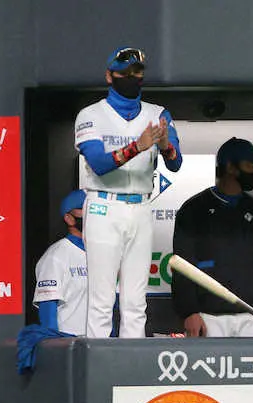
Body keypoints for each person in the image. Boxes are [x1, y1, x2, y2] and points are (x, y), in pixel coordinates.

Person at [74, 47, 182, 338]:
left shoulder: (157, 114)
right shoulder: (91, 114)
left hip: (141, 206)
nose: (132, 78)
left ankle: (130, 362)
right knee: (101, 300)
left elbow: (176, 163)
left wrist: (165, 146)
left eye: (137, 72)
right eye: (125, 73)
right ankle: (98, 363)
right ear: (109, 76)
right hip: (104, 205)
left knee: (136, 302)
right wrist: (138, 146)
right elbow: (98, 164)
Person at [171, 138, 253, 337]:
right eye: (249, 165)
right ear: (230, 167)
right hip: (208, 316)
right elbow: (182, 267)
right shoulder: (193, 210)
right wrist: (189, 312)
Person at [32, 190, 89, 336]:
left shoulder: (104, 253)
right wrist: (54, 342)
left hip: (101, 339)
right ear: (68, 218)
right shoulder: (56, 255)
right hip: (70, 338)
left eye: (92, 208)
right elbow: (48, 303)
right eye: (83, 209)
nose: (90, 214)